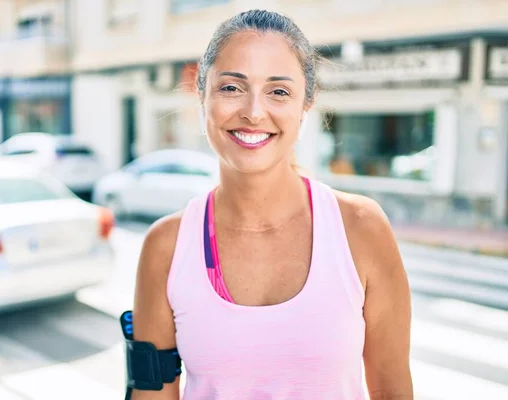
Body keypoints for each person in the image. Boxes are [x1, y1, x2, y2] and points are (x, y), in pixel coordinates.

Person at [129, 9, 413, 400]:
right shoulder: (165, 247)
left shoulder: (361, 229)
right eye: (231, 87)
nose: (253, 112)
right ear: (202, 95)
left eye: (278, 91)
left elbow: (394, 390)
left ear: (306, 104)